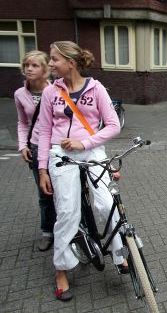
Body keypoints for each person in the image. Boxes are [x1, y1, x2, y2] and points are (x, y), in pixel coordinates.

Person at [37, 41, 127, 301]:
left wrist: (85, 142)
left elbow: (112, 126)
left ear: (71, 63)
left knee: (107, 204)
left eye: (54, 59)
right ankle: (61, 269)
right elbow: (44, 132)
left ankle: (121, 255)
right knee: (67, 212)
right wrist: (42, 170)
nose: (50, 64)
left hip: (91, 150)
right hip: (61, 154)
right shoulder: (49, 93)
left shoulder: (96, 88)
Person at [14, 50, 57, 251]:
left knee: (64, 190)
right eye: (26, 65)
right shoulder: (20, 94)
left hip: (56, 147)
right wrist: (23, 145)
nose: (29, 69)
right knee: (44, 193)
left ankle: (69, 228)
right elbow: (23, 123)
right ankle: (47, 231)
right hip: (36, 146)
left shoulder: (57, 90)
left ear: (46, 69)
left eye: (34, 65)